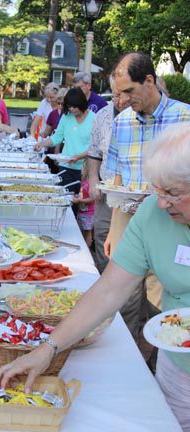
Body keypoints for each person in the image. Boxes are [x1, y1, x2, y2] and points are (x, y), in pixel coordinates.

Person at [0, 123, 190, 432]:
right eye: (158, 190)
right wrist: (47, 349)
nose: (163, 202)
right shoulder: (153, 214)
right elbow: (108, 290)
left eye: (174, 194)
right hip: (180, 363)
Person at [104, 52, 190, 339]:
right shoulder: (121, 122)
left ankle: (162, 353)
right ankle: (125, 354)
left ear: (149, 81)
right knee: (122, 295)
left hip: (171, 217)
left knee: (161, 295)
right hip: (127, 216)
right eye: (120, 93)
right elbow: (116, 176)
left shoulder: (185, 116)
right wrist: (113, 228)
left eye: (129, 91)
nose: (125, 99)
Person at [87, 75, 131, 273]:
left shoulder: (139, 117)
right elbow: (94, 152)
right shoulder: (102, 116)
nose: (120, 101)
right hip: (106, 191)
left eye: (124, 95)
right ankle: (105, 277)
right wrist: (93, 179)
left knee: (126, 244)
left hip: (132, 193)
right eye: (115, 96)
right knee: (103, 235)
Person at [35, 87, 95, 195]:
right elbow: (56, 138)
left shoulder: (94, 119)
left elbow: (95, 148)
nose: (72, 109)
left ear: (81, 103)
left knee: (80, 203)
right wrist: (42, 143)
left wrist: (79, 157)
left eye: (74, 106)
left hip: (84, 169)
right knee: (65, 198)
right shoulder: (66, 117)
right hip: (65, 166)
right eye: (69, 106)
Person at [73, 164, 95, 247]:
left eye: (83, 168)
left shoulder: (93, 183)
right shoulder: (85, 180)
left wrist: (79, 200)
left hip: (89, 213)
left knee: (87, 232)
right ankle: (82, 246)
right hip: (81, 210)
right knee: (80, 231)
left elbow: (92, 199)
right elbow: (83, 193)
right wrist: (77, 196)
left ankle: (87, 250)